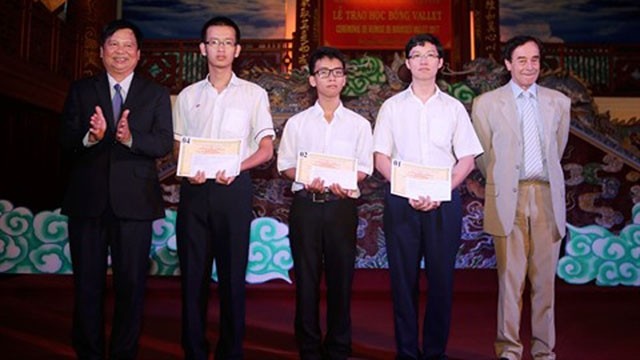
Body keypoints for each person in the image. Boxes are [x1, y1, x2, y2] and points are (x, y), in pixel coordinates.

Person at [59, 19, 173, 359]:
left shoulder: (154, 93)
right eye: (114, 44)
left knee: (132, 285)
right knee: (87, 285)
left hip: (134, 203)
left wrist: (130, 138)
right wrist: (90, 138)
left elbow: (163, 142)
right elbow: (65, 140)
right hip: (87, 201)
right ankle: (89, 351)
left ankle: (124, 352)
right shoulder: (81, 90)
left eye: (128, 46)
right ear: (102, 51)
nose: (120, 51)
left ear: (138, 55)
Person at [373, 33, 483, 360]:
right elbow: (381, 157)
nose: (423, 60)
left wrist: (441, 190)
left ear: (440, 63)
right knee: (402, 282)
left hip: (444, 203)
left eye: (430, 54)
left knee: (441, 282)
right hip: (401, 202)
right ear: (407, 63)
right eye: (416, 54)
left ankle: (435, 352)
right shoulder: (391, 107)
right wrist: (408, 189)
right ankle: (406, 352)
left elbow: (467, 158)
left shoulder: (453, 109)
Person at [172, 16, 275, 360]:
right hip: (196, 191)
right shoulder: (187, 96)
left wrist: (236, 166)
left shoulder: (253, 95)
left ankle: (231, 352)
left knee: (232, 278)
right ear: (203, 49)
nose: (220, 48)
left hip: (234, 190)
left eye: (227, 42)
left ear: (238, 49)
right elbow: (178, 146)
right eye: (214, 42)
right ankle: (195, 350)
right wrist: (188, 168)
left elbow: (265, 149)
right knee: (193, 277)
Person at [471, 35, 571, 360]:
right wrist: (503, 181)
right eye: (522, 60)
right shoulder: (486, 103)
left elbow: (558, 148)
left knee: (545, 283)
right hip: (507, 198)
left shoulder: (559, 102)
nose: (529, 66)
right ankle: (509, 350)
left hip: (545, 196)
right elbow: (483, 156)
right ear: (507, 64)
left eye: (535, 60)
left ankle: (544, 351)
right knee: (510, 279)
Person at [277, 46, 373, 360]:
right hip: (306, 205)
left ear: (344, 80)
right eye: (323, 72)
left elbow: (364, 167)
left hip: (341, 206)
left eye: (336, 72)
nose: (330, 78)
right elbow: (285, 165)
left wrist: (347, 181)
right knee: (305, 280)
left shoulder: (359, 124)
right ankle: (308, 348)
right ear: (312, 80)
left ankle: (338, 347)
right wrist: (305, 177)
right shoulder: (298, 123)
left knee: (341, 279)